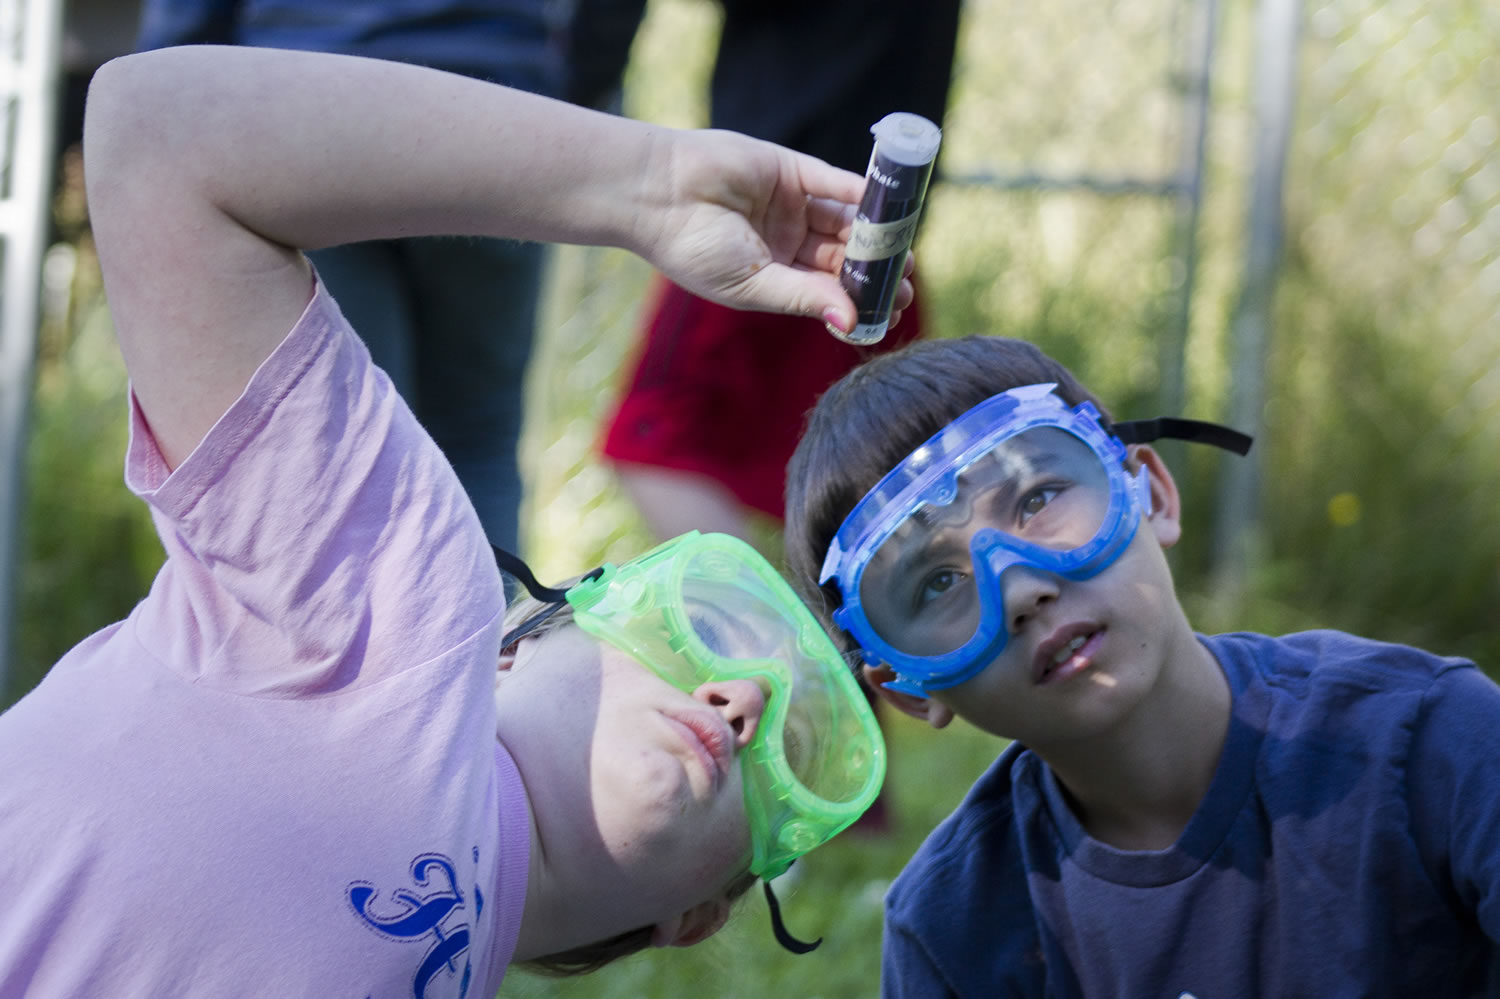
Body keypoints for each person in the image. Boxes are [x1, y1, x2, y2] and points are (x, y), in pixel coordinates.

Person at [0, 44, 901, 995]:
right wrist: (650, 188)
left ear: (699, 913)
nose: (745, 702)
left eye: (787, 755)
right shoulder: (406, 621)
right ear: (518, 642)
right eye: (694, 632)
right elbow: (161, 132)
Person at [781, 335, 1500, 996]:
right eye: (936, 583)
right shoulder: (950, 928)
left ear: (1150, 493)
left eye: (1037, 499)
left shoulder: (1428, 742)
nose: (1021, 586)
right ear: (905, 685)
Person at [135, 0, 571, 556]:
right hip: (499, 103)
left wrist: (156, 138)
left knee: (348, 441)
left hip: (306, 105)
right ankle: (495, 639)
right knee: (476, 433)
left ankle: (375, 643)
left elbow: (186, 24)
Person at [572, 0, 960, 543]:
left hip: (773, 211)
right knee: (875, 480)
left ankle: (773, 628)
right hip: (874, 218)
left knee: (656, 449)